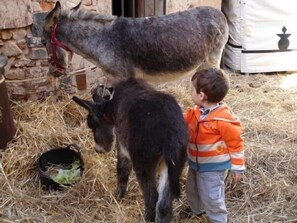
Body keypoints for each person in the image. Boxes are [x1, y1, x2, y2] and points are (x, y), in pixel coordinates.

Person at [183, 68, 245, 223]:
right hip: (196, 164)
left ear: (201, 95)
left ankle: (218, 218)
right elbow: (182, 122)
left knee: (212, 196)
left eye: (192, 90)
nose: (190, 92)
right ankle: (197, 210)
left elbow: (236, 144)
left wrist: (238, 166)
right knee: (192, 189)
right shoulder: (196, 111)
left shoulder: (223, 121)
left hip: (213, 169)